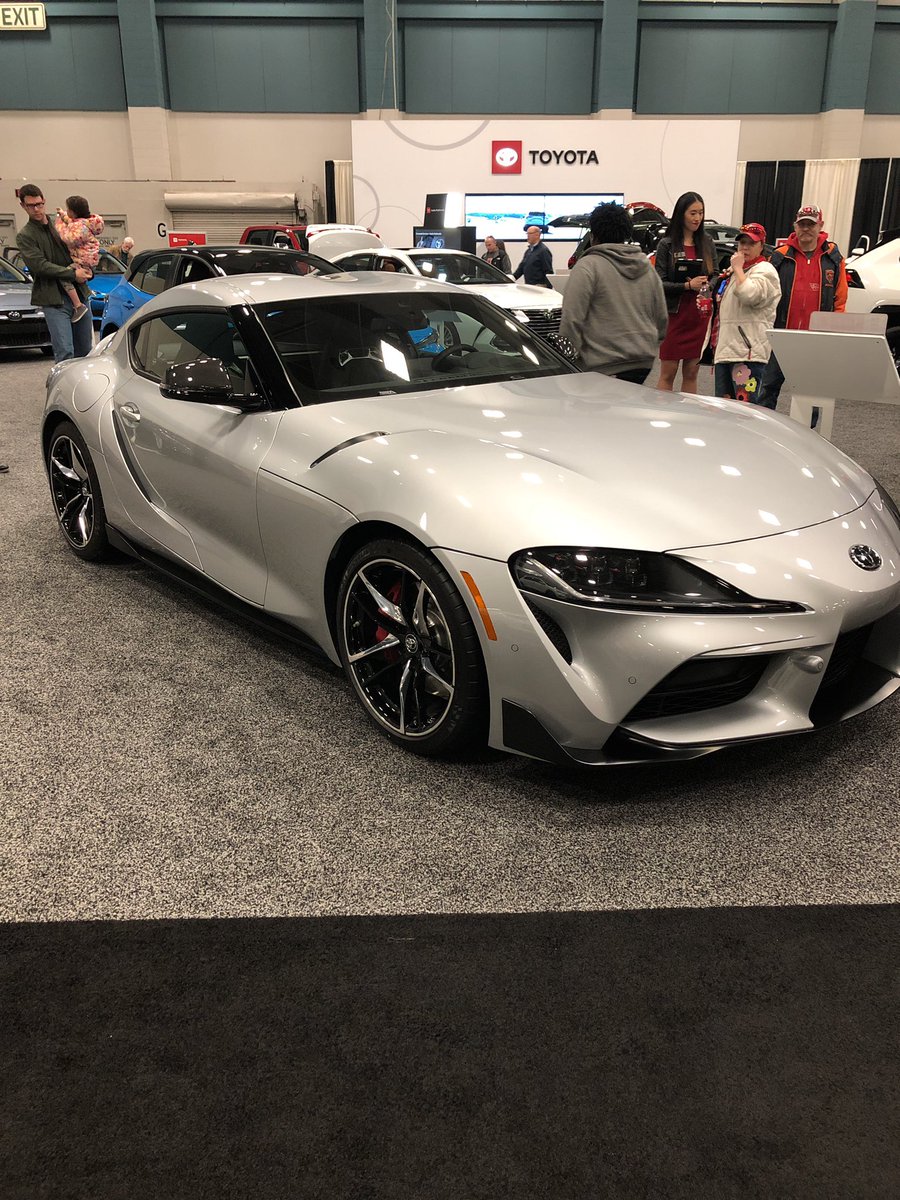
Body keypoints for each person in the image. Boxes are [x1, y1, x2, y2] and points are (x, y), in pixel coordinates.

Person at [755, 204, 847, 418]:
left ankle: (809, 435)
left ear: (820, 226)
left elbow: (840, 299)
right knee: (767, 388)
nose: (806, 229)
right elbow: (767, 294)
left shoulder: (833, 258)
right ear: (795, 226)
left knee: (813, 393)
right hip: (780, 335)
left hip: (815, 339)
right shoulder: (779, 256)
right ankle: (761, 430)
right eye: (802, 224)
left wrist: (835, 333)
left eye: (811, 224)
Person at [559, 202, 667, 384]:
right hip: (643, 361)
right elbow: (661, 316)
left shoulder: (588, 266)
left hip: (602, 364)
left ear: (593, 235)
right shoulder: (645, 266)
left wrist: (566, 360)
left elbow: (571, 319)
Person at [16, 184, 93, 362]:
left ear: (44, 201)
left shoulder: (60, 224)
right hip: (54, 300)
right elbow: (40, 266)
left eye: (39, 204)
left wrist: (88, 269)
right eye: (31, 206)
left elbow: (81, 244)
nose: (37, 209)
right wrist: (73, 275)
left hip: (80, 293)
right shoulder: (25, 236)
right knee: (65, 352)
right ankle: (62, 389)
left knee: (86, 352)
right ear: (23, 206)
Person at [654, 191, 719, 393]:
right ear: (681, 214)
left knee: (691, 372)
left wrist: (707, 286)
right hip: (674, 316)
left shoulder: (707, 242)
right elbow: (659, 283)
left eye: (700, 213)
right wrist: (687, 286)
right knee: (668, 372)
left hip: (699, 315)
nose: (697, 218)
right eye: (692, 213)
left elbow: (715, 274)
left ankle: (689, 418)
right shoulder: (666, 245)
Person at [712, 223, 781, 402]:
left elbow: (750, 295)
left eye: (751, 243)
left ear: (761, 246)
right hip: (727, 350)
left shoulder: (765, 270)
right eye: (742, 242)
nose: (745, 247)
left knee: (745, 413)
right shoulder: (737, 271)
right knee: (722, 410)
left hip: (747, 354)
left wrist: (737, 269)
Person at [54, 195, 103, 322]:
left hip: (83, 260)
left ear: (74, 212)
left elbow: (67, 237)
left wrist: (59, 223)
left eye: (68, 209)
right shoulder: (88, 223)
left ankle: (78, 305)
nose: (67, 212)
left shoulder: (80, 229)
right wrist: (62, 214)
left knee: (64, 276)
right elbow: (71, 221)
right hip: (89, 259)